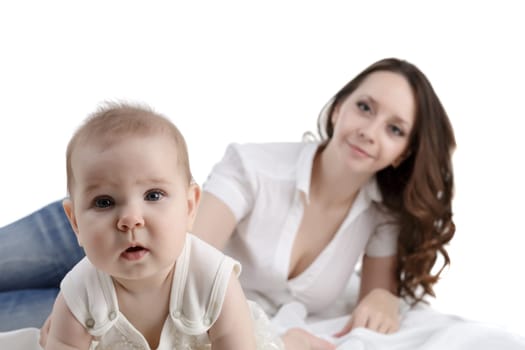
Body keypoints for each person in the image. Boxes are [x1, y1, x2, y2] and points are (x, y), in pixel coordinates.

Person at [0, 58, 456, 347]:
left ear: (407, 150)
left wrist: (383, 298)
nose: (370, 131)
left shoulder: (380, 216)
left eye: (395, 129)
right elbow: (183, 253)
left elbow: (375, 293)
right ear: (339, 109)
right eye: (364, 107)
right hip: (116, 230)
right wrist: (275, 338)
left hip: (140, 284)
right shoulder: (256, 167)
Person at [41, 103, 286, 349]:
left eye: (153, 195)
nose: (130, 219)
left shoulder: (214, 280)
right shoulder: (78, 291)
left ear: (189, 207)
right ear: (75, 223)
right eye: (104, 202)